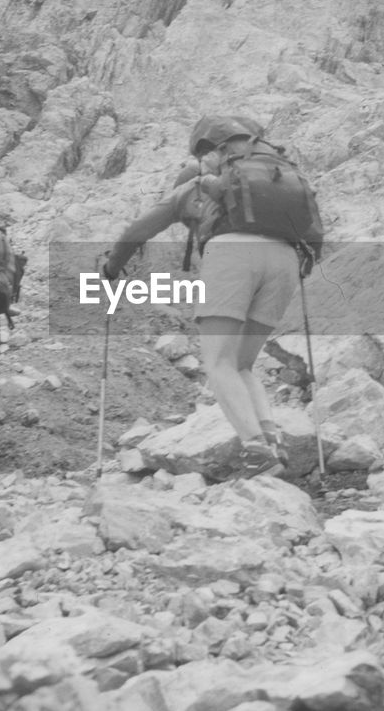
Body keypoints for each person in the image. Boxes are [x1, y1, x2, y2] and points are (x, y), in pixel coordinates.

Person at [102, 115, 323, 478]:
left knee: (218, 363)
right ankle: (272, 440)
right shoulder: (271, 174)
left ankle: (255, 449)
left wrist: (111, 270)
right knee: (242, 364)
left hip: (233, 256)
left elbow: (135, 232)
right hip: (285, 260)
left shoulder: (193, 189)